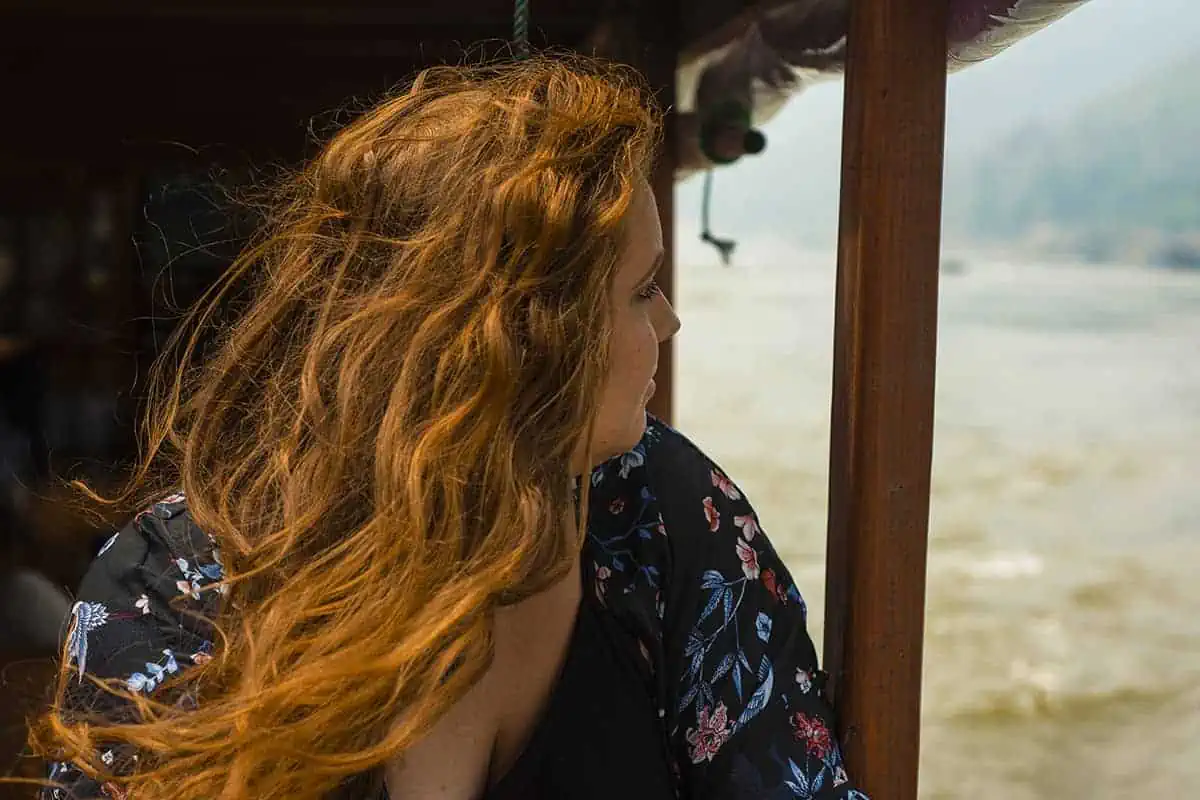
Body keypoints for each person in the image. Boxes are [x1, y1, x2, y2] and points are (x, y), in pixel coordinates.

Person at [26, 56, 866, 800]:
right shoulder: (180, 579)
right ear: (517, 336)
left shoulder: (664, 515)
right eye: (643, 290)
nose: (672, 323)